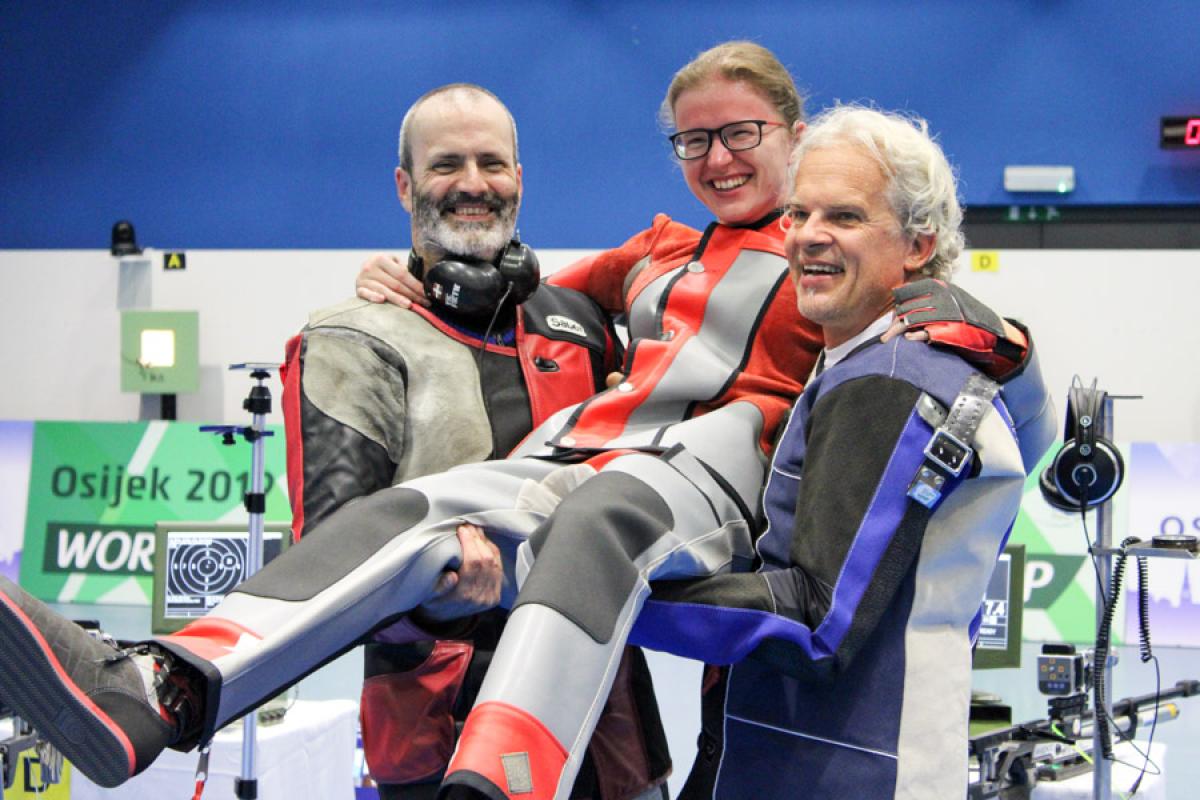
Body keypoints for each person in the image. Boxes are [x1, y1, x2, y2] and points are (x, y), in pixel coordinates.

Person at [0, 43, 1042, 797]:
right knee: (410, 508)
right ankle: (164, 687)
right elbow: (507, 279)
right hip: (592, 448)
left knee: (601, 521)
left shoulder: (840, 266)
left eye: (742, 134)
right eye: (693, 139)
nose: (719, 158)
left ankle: (502, 774)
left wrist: (973, 319)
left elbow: (966, 323)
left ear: (794, 135)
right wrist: (399, 277)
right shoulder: (661, 249)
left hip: (711, 467)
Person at [450, 105, 1055, 800]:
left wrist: (589, 585)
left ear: (919, 245)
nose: (808, 238)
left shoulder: (889, 378)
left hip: (849, 767)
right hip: (805, 749)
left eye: (846, 218)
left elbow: (816, 621)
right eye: (798, 214)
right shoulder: (876, 360)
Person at [282, 84, 668, 799]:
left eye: (492, 163)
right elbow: (326, 557)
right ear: (405, 186)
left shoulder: (579, 320)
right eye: (445, 164)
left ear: (519, 179)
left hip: (605, 715)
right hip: (442, 728)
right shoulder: (348, 338)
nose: (472, 184)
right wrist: (438, 585)